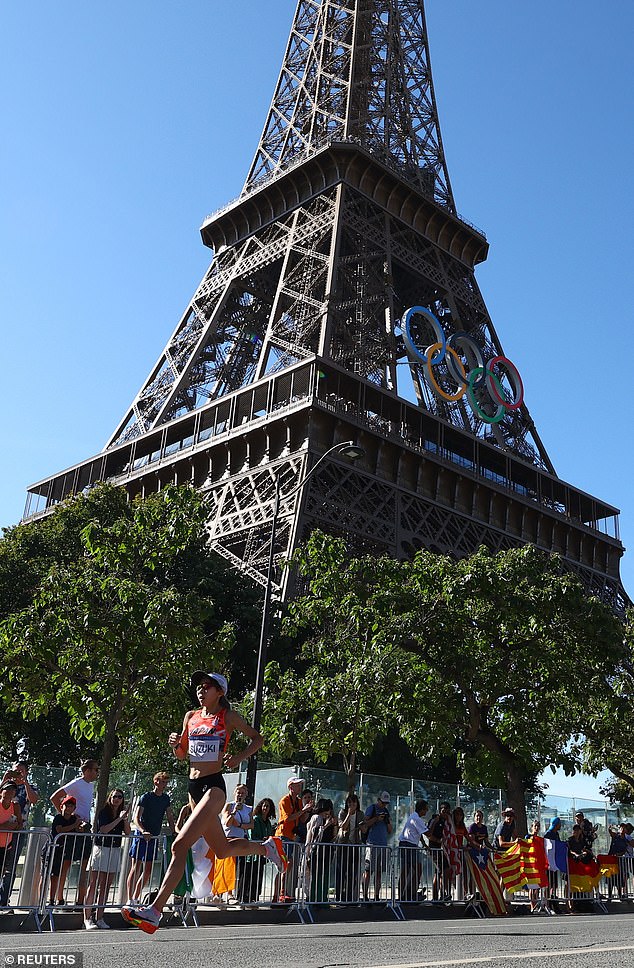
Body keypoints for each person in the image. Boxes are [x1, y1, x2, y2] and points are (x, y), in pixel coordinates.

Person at [122, 670, 287, 934]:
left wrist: (239, 758)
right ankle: (267, 848)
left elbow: (258, 739)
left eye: (207, 686)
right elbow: (181, 755)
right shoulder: (191, 716)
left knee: (179, 845)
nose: (201, 690)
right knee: (221, 850)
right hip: (193, 787)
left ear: (220, 692)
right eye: (199, 686)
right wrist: (175, 744)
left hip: (214, 787)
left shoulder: (228, 717)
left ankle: (154, 910)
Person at [50, 760, 99, 906]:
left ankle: (80, 901)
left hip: (85, 827)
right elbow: (54, 797)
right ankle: (59, 898)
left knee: (84, 863)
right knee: (66, 863)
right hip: (73, 828)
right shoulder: (77, 783)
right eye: (96, 769)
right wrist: (67, 818)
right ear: (87, 770)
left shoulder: (91, 785)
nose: (97, 772)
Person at [84, 789, 131, 929]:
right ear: (110, 797)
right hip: (101, 849)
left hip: (114, 850)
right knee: (94, 884)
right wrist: (119, 819)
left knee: (106, 886)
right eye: (114, 796)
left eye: (119, 797)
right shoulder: (104, 812)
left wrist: (125, 819)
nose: (117, 799)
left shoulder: (121, 815)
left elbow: (127, 832)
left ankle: (99, 917)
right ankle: (87, 918)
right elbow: (104, 829)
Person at [126, 772, 175, 905]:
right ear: (156, 782)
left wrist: (175, 832)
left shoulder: (165, 799)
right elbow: (136, 818)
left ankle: (136, 898)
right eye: (162, 781)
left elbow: (170, 817)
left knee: (147, 871)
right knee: (135, 868)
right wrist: (143, 831)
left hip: (153, 837)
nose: (164, 784)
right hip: (141, 836)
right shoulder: (146, 797)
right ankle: (129, 899)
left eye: (166, 782)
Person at [275, 777, 311, 902]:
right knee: (284, 864)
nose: (299, 787)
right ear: (290, 787)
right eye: (297, 785)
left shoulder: (299, 801)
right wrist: (304, 810)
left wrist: (308, 810)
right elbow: (288, 819)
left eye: (300, 785)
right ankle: (279, 894)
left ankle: (283, 893)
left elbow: (301, 819)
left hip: (291, 837)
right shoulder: (284, 800)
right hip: (283, 835)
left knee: (287, 864)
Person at [44, 795, 83, 906]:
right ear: (62, 806)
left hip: (63, 851)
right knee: (46, 875)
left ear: (74, 808)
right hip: (51, 849)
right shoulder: (58, 818)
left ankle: (53, 900)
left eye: (71, 806)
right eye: (66, 805)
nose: (69, 808)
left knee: (57, 875)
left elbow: (79, 829)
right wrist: (75, 825)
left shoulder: (74, 818)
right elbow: (59, 830)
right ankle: (42, 899)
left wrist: (80, 826)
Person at [220, 783, 253, 902]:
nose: (240, 794)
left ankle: (232, 893)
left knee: (237, 868)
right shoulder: (229, 805)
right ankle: (222, 893)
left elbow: (251, 825)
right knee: (227, 866)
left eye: (243, 793)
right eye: (239, 792)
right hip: (228, 839)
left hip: (240, 840)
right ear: (235, 793)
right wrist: (234, 812)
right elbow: (227, 823)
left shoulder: (248, 809)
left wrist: (239, 825)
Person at [243, 798, 276, 902]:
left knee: (258, 877)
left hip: (262, 854)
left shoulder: (268, 823)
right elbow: (252, 835)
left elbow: (269, 835)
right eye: (264, 805)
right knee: (250, 876)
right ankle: (247, 898)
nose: (265, 808)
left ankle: (255, 897)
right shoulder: (256, 819)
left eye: (268, 806)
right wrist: (262, 840)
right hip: (253, 853)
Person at [304, 798, 337, 902]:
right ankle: (314, 898)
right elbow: (315, 835)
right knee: (316, 876)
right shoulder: (316, 818)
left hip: (327, 851)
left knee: (324, 875)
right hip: (316, 851)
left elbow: (334, 836)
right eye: (326, 810)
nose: (328, 813)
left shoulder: (328, 819)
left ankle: (322, 898)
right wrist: (326, 824)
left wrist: (334, 824)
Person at [362, 791, 392, 902]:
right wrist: (376, 819)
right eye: (383, 803)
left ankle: (377, 896)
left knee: (379, 872)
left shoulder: (386, 812)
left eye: (386, 803)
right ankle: (365, 895)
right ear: (378, 800)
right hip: (372, 843)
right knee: (368, 870)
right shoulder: (372, 808)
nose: (384, 805)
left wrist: (386, 820)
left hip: (383, 845)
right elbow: (365, 824)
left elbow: (390, 830)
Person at [335, 792, 365, 902]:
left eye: (354, 803)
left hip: (355, 845)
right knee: (341, 872)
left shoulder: (360, 814)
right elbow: (342, 826)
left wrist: (362, 827)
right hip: (343, 845)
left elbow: (364, 829)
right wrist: (349, 814)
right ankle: (339, 896)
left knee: (353, 873)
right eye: (349, 803)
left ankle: (349, 896)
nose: (352, 805)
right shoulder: (342, 813)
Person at [398, 799, 428, 902]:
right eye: (426, 809)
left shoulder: (414, 817)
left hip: (409, 844)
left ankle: (409, 892)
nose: (427, 811)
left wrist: (424, 844)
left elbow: (418, 833)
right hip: (408, 844)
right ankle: (408, 893)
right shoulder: (417, 819)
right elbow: (428, 834)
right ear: (422, 809)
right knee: (410, 870)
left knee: (410, 870)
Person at [0, 782, 23, 906]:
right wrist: (4, 827)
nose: (10, 791)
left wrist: (14, 826)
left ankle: (3, 901)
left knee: (4, 873)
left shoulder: (15, 806)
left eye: (13, 789)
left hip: (6, 846)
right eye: (7, 788)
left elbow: (20, 824)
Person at [426, 802, 452, 901]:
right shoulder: (435, 820)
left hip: (441, 850)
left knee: (439, 871)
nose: (445, 813)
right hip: (434, 848)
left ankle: (438, 897)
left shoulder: (447, 821)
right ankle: (441, 894)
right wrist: (438, 841)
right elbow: (428, 834)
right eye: (443, 811)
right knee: (443, 870)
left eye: (447, 811)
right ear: (440, 811)